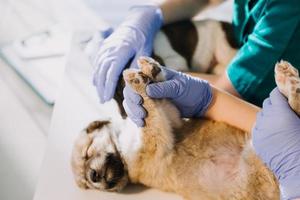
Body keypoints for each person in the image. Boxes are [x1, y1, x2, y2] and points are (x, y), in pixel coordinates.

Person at [92, 0, 300, 198]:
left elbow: (232, 88)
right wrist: (150, 15)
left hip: (260, 105)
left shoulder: (286, 11)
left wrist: (160, 78)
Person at [93, 0, 300, 106]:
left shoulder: (288, 10)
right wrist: (149, 16)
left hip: (262, 101)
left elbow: (228, 91)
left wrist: (148, 78)